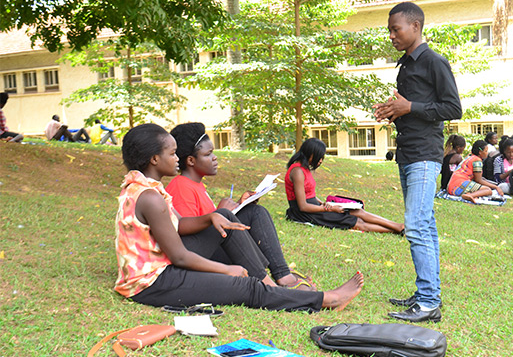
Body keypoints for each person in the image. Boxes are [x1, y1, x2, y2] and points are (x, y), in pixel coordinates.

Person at [115, 123, 363, 312]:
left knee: (223, 217)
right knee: (247, 287)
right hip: (153, 283)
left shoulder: (145, 188)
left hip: (164, 270)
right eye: (172, 153)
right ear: (155, 159)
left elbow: (178, 224)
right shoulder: (150, 197)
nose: (177, 158)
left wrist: (213, 217)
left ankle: (276, 281)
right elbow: (179, 255)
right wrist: (227, 269)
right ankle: (326, 299)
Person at [372, 2, 462, 323]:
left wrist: (410, 107)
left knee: (416, 225)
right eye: (390, 30)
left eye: (396, 29)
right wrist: (393, 110)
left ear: (416, 26)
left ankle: (428, 302)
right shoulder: (406, 65)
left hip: (425, 154)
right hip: (407, 152)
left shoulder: (434, 62)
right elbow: (412, 107)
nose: (392, 35)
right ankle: (427, 292)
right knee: (426, 225)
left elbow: (453, 108)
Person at [166, 122, 315, 290]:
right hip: (203, 259)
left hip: (217, 246)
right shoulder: (180, 186)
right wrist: (221, 212)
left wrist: (239, 205)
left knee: (254, 212)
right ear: (191, 160)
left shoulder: (196, 185)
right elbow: (186, 233)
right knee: (250, 214)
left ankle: (282, 274)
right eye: (208, 154)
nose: (214, 158)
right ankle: (274, 283)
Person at [285, 138, 404, 234]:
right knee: (357, 222)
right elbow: (303, 206)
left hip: (316, 207)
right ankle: (397, 230)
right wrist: (329, 208)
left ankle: (397, 226)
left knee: (358, 211)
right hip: (305, 213)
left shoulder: (304, 169)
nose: (320, 161)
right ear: (310, 155)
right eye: (319, 157)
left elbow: (309, 194)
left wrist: (322, 203)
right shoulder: (297, 172)